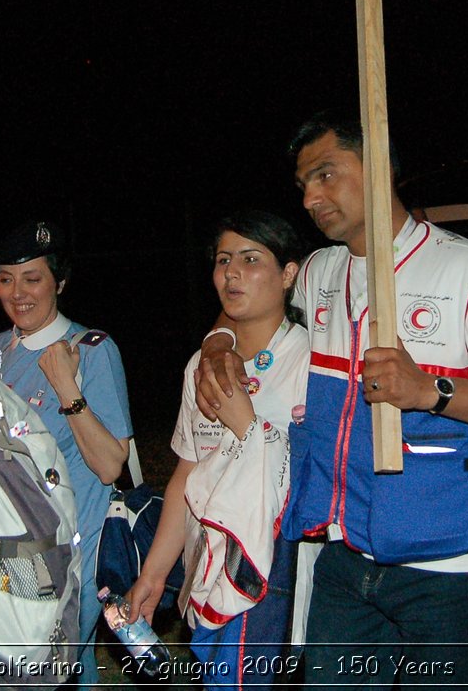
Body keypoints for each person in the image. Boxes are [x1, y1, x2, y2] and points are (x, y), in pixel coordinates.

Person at [198, 111, 468, 686]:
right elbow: (244, 299)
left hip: (447, 563)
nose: (311, 198)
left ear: (381, 166)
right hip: (345, 554)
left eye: (325, 175)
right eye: (303, 186)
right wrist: (219, 342)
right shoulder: (320, 271)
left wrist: (430, 391)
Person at [126, 210, 310, 689]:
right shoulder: (200, 366)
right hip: (206, 572)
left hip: (271, 574)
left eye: (251, 259)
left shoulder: (310, 358)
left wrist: (249, 427)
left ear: (288, 274)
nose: (232, 272)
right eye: (223, 259)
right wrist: (154, 574)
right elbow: (186, 476)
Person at [0, 220, 133, 683]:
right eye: (6, 279)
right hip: (13, 551)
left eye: (33, 279)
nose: (17, 292)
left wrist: (66, 387)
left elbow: (111, 465)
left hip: (74, 551)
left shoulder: (91, 350)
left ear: (60, 283)